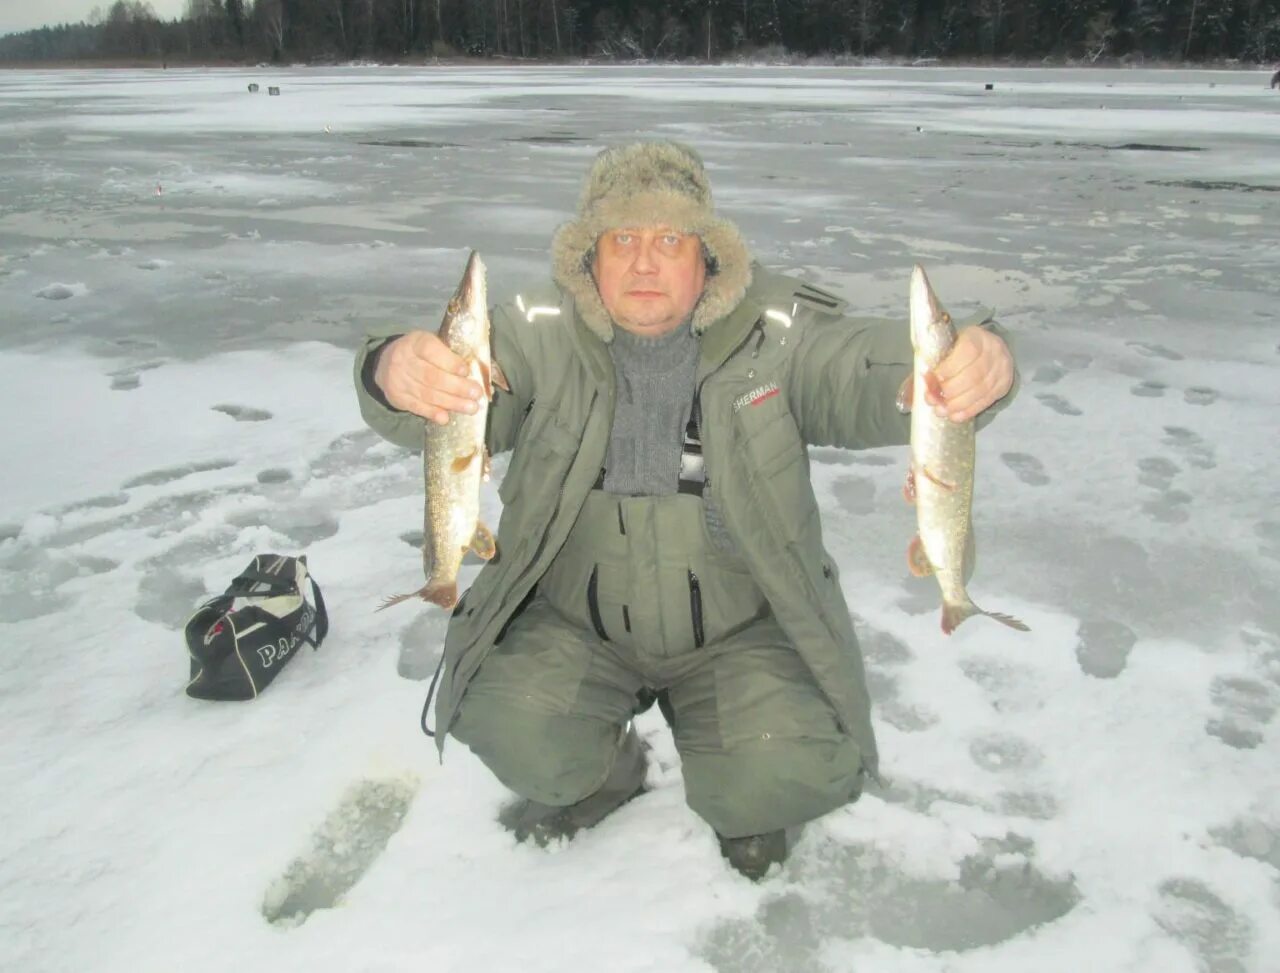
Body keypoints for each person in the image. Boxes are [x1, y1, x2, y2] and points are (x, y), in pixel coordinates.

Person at [353, 141, 1018, 879]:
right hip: (577, 623)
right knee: (516, 730)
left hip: (737, 631)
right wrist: (391, 370)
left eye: (669, 239)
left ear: (707, 255)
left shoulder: (780, 335)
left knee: (781, 773)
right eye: (623, 240)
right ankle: (608, 767)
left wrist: (976, 360)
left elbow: (869, 367)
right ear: (589, 260)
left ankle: (748, 794)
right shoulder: (530, 337)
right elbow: (429, 412)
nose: (644, 262)